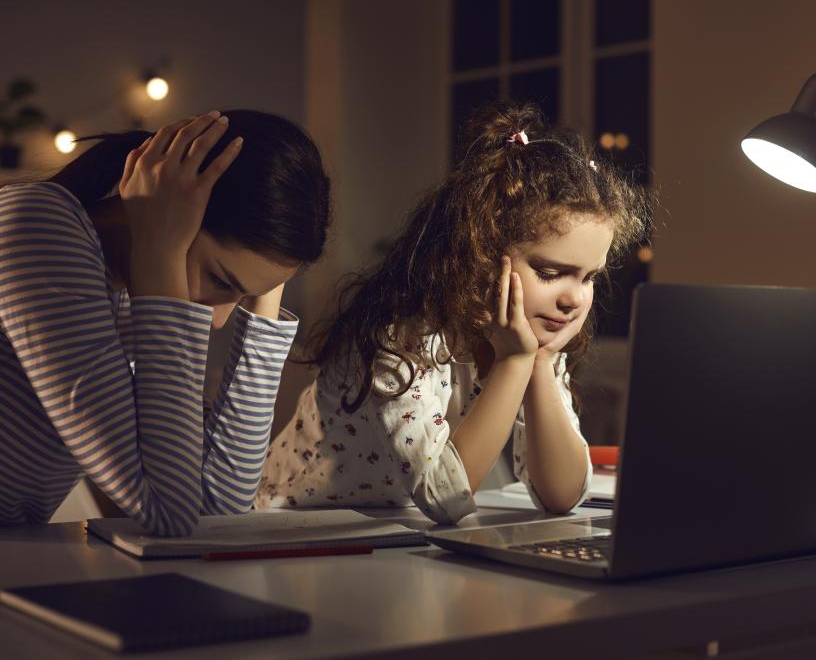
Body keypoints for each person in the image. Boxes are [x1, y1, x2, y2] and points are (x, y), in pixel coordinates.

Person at [257, 103, 650, 523]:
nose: (574, 298)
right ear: (481, 255)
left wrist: (539, 361)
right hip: (293, 533)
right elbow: (446, 498)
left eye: (590, 277)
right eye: (551, 272)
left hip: (395, 542)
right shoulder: (401, 334)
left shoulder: (533, 337)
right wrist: (515, 361)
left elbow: (561, 495)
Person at [0, 110, 331, 535]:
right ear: (169, 208)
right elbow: (170, 511)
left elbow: (218, 506)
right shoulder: (39, 226)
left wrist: (265, 291)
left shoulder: (121, 292)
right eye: (219, 279)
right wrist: (159, 258)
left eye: (242, 294)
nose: (217, 322)